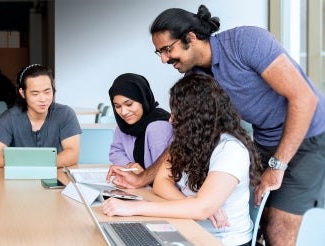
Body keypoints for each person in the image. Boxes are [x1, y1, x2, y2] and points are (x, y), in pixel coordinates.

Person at [107, 4, 325, 245]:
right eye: (158, 53)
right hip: (265, 139)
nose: (164, 59)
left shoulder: (246, 41)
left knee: (278, 229)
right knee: (259, 220)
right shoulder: (196, 77)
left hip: (307, 135)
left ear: (190, 38)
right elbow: (185, 136)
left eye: (167, 50)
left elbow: (304, 99)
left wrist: (276, 166)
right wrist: (143, 178)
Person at [102, 74, 263, 246]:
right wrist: (192, 205)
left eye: (178, 113)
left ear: (198, 116)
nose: (171, 120)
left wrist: (132, 208)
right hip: (189, 228)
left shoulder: (230, 150)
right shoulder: (188, 140)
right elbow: (161, 182)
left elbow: (201, 209)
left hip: (219, 241)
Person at [0, 64, 81, 168]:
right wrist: (30, 163)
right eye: (35, 94)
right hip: (18, 179)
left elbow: (72, 153)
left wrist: (40, 164)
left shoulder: (65, 114)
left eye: (47, 92)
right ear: (23, 93)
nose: (42, 99)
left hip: (54, 177)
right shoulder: (9, 118)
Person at [108, 73, 173, 173]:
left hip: (156, 186)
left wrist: (142, 177)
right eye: (117, 106)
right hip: (138, 186)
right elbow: (115, 152)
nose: (123, 112)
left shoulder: (158, 127)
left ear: (143, 99)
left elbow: (164, 172)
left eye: (129, 104)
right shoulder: (123, 125)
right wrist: (130, 165)